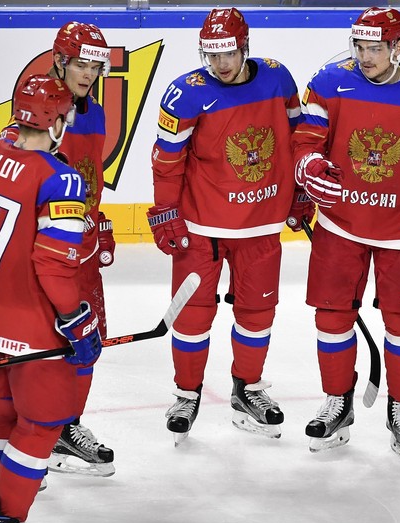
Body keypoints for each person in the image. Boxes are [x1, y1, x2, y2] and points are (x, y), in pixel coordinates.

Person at [292, 7, 400, 460]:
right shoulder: (329, 82)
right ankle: (337, 402)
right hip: (340, 223)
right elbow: (307, 139)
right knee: (331, 318)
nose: (365, 57)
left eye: (375, 48)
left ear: (399, 47)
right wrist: (307, 166)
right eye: (360, 47)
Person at [0, 75, 102, 523]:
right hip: (33, 325)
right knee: (39, 425)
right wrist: (77, 321)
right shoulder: (60, 178)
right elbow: (55, 264)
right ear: (56, 122)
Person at [149, 7, 306, 446]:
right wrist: (166, 212)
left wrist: (301, 191)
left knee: (257, 314)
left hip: (262, 223)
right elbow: (167, 160)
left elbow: (300, 140)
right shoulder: (184, 94)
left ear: (245, 47)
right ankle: (186, 393)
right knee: (193, 315)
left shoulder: (278, 79)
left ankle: (248, 388)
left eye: (228, 54)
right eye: (211, 55)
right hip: (202, 226)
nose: (220, 64)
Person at [2, 21, 115, 478]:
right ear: (59, 61)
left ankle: (68, 428)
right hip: (43, 254)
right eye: (80, 64)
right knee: (39, 349)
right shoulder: (38, 110)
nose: (87, 73)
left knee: (88, 342)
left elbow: (88, 177)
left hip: (80, 248)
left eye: (94, 65)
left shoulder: (99, 113)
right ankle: (27, 440)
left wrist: (96, 219)